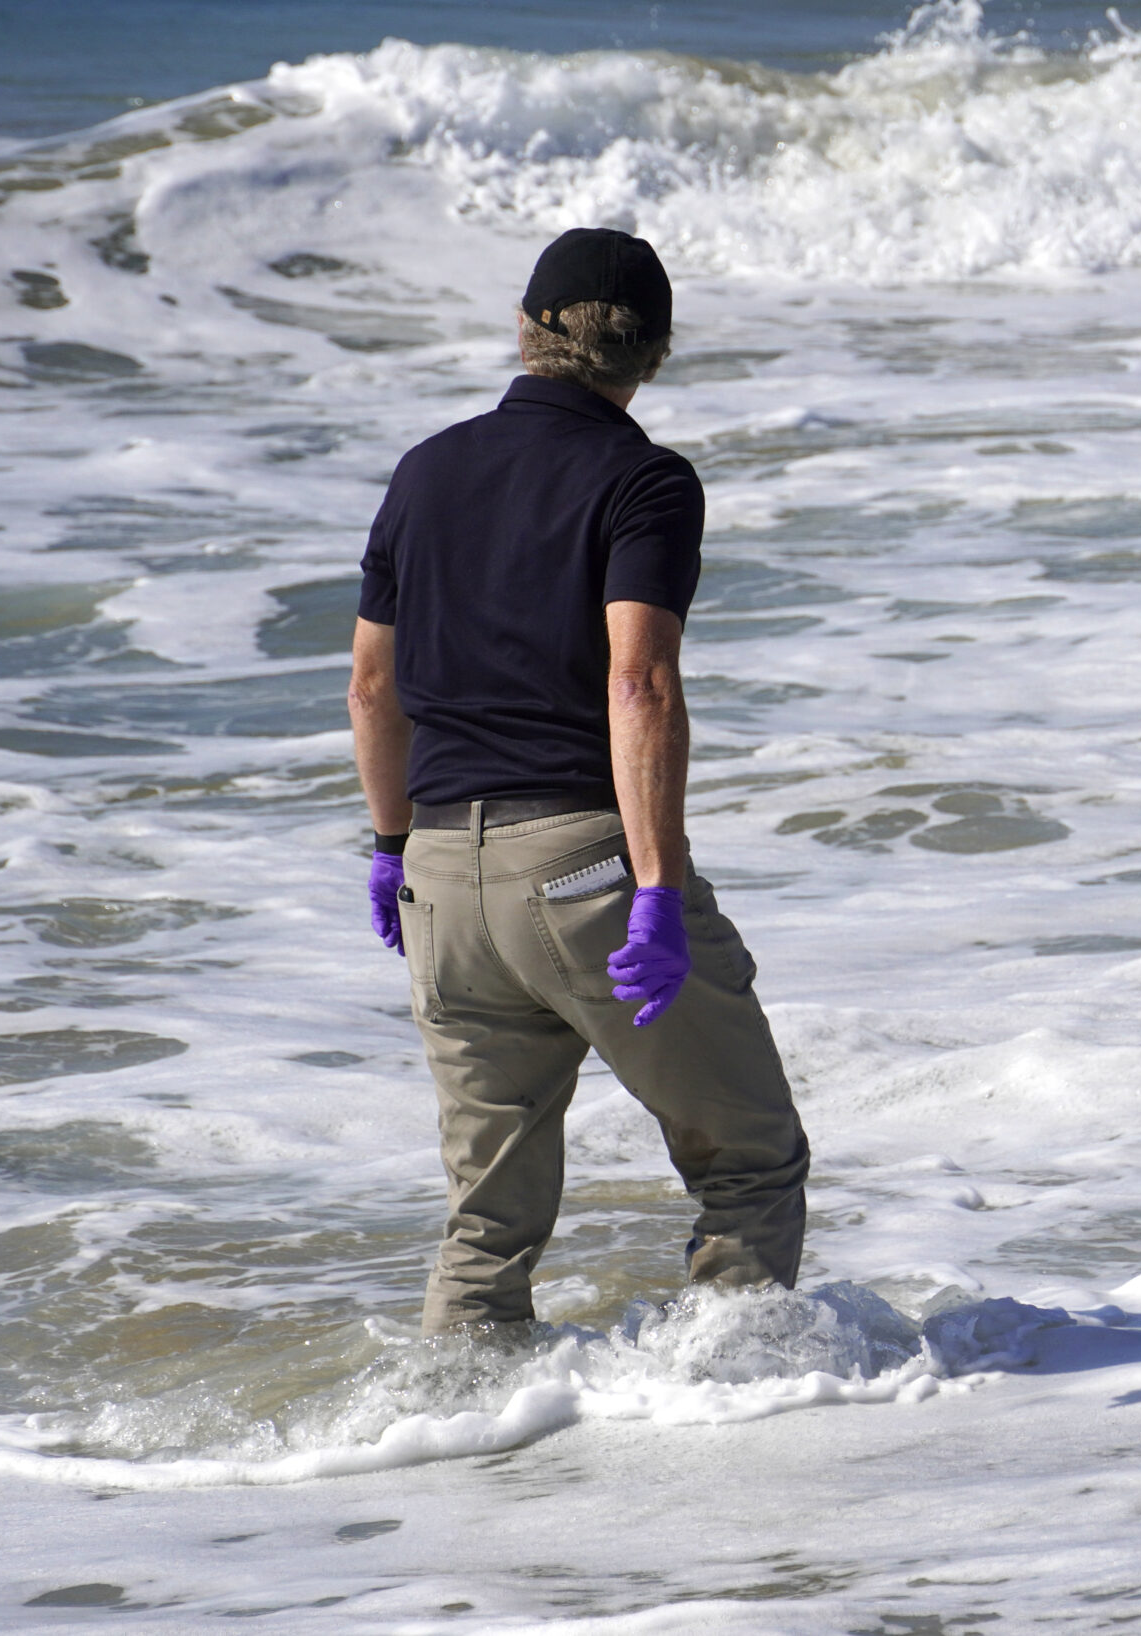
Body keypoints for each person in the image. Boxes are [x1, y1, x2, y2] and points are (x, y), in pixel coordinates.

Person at [348, 227, 811, 1333]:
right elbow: (638, 682)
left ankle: (462, 1447)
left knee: (486, 1221)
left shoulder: (426, 469)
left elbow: (373, 687)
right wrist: (652, 887)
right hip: (581, 868)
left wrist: (387, 845)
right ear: (651, 355)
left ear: (525, 326)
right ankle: (738, 1418)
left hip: (443, 886)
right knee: (748, 1157)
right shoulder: (642, 479)